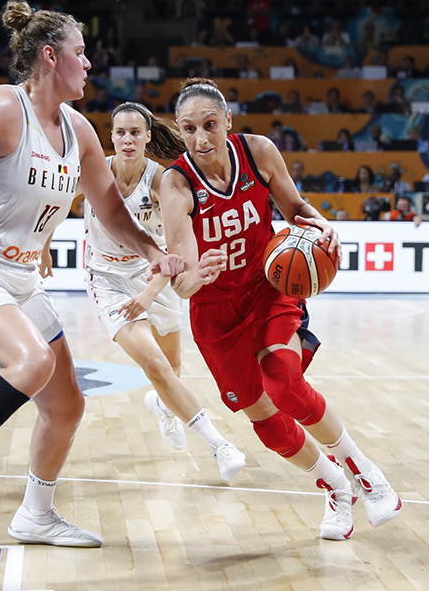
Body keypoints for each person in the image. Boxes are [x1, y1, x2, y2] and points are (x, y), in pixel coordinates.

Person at [0, 0, 184, 547]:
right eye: (80, 53)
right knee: (32, 360)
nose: (90, 64)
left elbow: (111, 210)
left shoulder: (80, 131)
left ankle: (36, 516)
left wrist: (151, 250)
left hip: (18, 277)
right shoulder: (3, 107)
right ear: (50, 56)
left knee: (67, 403)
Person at [159, 78, 401, 541]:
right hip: (214, 310)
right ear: (180, 130)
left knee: (285, 384)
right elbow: (183, 283)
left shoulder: (259, 152)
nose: (201, 138)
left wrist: (324, 226)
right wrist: (198, 274)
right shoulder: (175, 184)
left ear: (228, 121)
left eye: (210, 125)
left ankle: (367, 473)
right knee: (269, 428)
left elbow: (296, 209)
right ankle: (334, 486)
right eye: (189, 129)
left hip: (266, 287)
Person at [81, 102, 245, 480]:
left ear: (148, 137)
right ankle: (219, 445)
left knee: (171, 366)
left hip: (157, 276)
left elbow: (174, 252)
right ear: (111, 136)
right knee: (154, 365)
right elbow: (55, 205)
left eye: (135, 132)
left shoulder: (162, 182)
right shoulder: (94, 173)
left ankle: (163, 405)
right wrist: (42, 245)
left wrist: (151, 293)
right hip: (107, 281)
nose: (127, 139)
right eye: (120, 132)